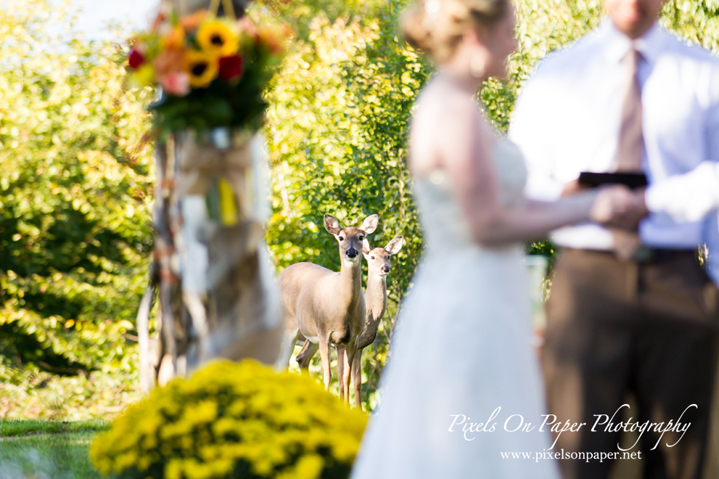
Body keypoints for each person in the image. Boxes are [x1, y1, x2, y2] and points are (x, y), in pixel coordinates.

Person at [349, 0, 646, 477]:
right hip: (470, 304)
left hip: (490, 297)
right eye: (508, 31)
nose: (514, 44)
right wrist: (592, 208)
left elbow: (515, 206)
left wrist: (591, 201)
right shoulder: (451, 112)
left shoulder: (462, 107)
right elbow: (486, 224)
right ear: (475, 38)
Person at [509, 0, 719, 476]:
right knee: (575, 456)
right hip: (586, 282)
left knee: (678, 462)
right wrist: (572, 193)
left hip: (680, 281)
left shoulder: (706, 75)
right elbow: (520, 185)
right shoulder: (556, 75)